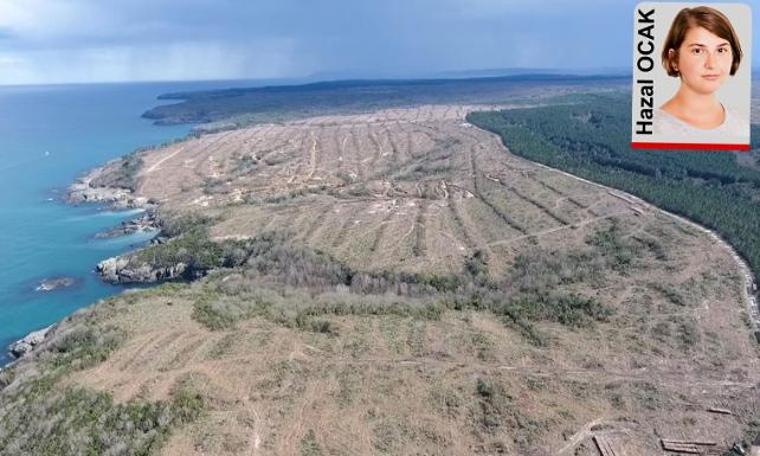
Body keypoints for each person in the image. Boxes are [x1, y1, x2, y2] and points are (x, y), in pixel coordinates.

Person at [655, 6, 748, 142]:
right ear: (674, 59)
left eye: (721, 50)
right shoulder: (656, 128)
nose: (712, 64)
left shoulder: (741, 126)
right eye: (698, 51)